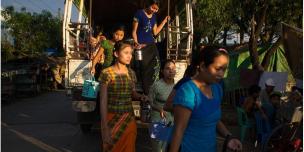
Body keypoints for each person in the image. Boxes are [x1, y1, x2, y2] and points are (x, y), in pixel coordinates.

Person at [169, 46, 242, 152]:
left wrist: (229, 137)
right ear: (203, 66)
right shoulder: (188, 91)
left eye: (224, 69)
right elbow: (178, 130)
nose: (221, 74)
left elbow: (213, 120)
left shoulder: (217, 89)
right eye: (217, 69)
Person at [99, 41, 148, 152]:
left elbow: (133, 93)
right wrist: (104, 128)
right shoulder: (106, 73)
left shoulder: (131, 73)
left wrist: (141, 97)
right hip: (111, 119)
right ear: (116, 54)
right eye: (126, 52)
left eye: (131, 53)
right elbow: (103, 101)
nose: (129, 56)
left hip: (128, 120)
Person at [132, 0, 170, 94]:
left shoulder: (154, 17)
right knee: (144, 67)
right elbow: (134, 31)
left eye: (156, 9)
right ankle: (146, 91)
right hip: (141, 45)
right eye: (153, 8)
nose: (154, 10)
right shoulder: (139, 13)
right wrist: (136, 43)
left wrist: (164, 21)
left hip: (152, 45)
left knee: (156, 65)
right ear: (148, 5)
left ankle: (154, 89)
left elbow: (155, 32)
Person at [148, 59, 176, 152]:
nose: (171, 71)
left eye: (173, 68)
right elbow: (150, 102)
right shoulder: (156, 85)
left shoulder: (177, 87)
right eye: (168, 68)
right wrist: (159, 109)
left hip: (172, 122)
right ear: (162, 71)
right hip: (158, 122)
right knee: (158, 150)